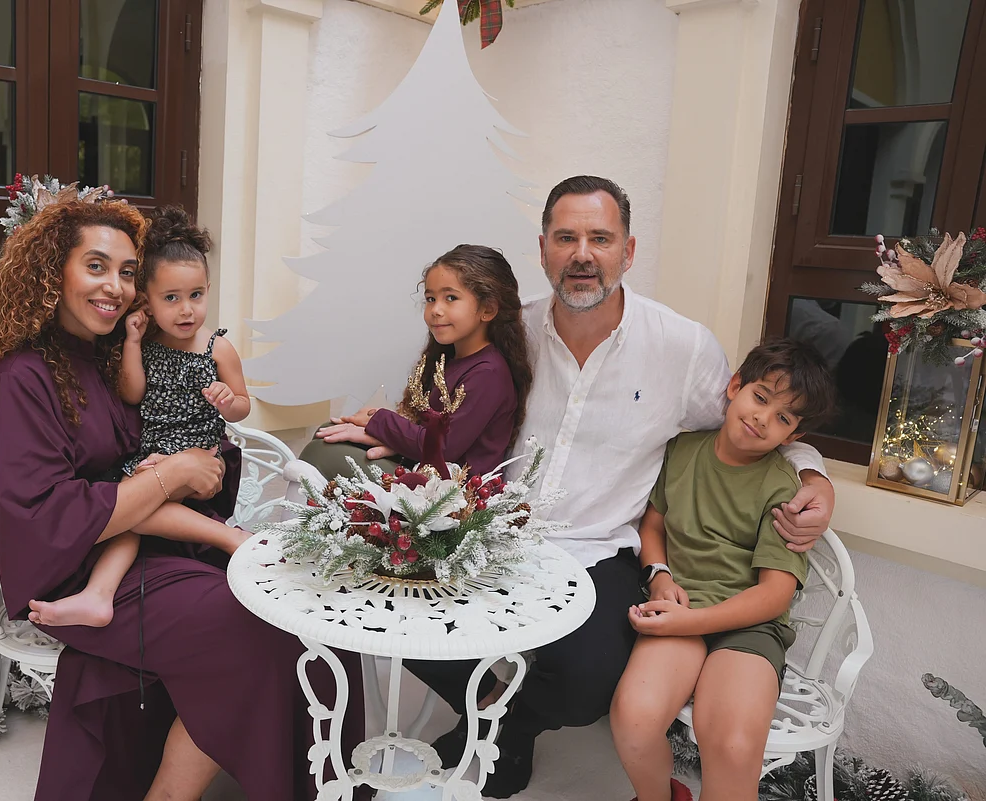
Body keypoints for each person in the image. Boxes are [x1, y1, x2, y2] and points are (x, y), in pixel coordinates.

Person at [405, 176, 836, 798]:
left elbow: (755, 423)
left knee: (588, 683)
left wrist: (815, 474)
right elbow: (438, 406)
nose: (582, 254)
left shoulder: (681, 348)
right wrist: (379, 427)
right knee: (400, 619)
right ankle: (494, 715)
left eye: (600, 239)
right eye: (566, 238)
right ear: (543, 249)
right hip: (489, 532)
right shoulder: (506, 332)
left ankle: (507, 725)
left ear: (628, 252)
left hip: (599, 548)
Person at [0, 195, 361, 801]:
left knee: (312, 613)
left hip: (158, 543)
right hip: (84, 569)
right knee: (264, 630)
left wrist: (192, 468)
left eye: (126, 272)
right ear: (51, 272)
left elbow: (173, 442)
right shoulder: (23, 378)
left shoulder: (108, 355)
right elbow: (45, 516)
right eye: (96, 266)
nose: (115, 286)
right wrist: (171, 476)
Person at [610, 338, 836, 801]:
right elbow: (653, 525)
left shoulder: (783, 488)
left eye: (783, 418)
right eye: (760, 397)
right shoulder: (681, 451)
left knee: (733, 746)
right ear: (735, 387)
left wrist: (691, 621)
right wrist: (660, 575)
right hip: (681, 606)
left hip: (749, 626)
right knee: (633, 718)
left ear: (792, 437)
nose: (763, 418)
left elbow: (774, 595)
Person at [25, 205, 250, 630]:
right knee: (127, 511)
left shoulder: (216, 348)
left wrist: (226, 400)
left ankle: (230, 539)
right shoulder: (147, 345)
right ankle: (99, 595)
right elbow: (132, 393)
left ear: (208, 290)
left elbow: (242, 404)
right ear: (147, 300)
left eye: (196, 296)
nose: (186, 310)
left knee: (129, 507)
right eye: (171, 298)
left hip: (198, 452)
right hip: (154, 452)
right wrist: (131, 341)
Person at [302, 243, 533, 478]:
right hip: (423, 468)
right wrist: (388, 437)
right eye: (431, 299)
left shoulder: (488, 374)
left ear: (488, 309)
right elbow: (427, 432)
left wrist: (379, 420)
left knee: (323, 453)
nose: (436, 310)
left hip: (454, 491)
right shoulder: (449, 360)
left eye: (451, 298)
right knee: (328, 432)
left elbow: (445, 447)